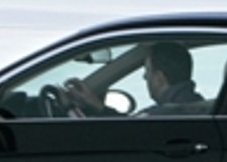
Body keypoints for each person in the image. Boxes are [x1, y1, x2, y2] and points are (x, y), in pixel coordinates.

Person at [64, 40, 207, 116]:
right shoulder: (199, 108)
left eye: (147, 71)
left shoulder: (162, 116)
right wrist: (98, 106)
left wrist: (69, 108)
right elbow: (128, 127)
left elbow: (124, 133)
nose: (144, 77)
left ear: (159, 78)